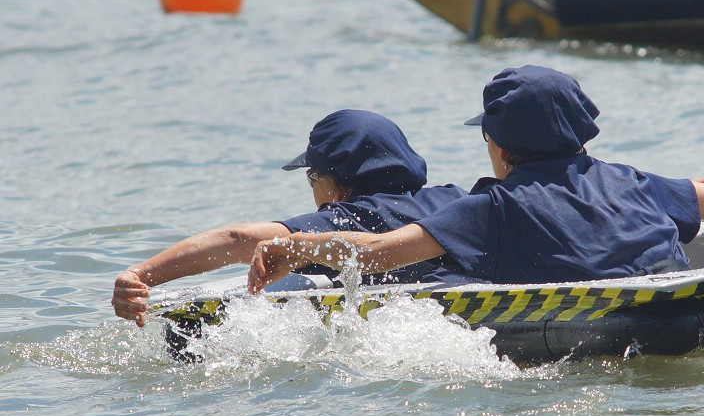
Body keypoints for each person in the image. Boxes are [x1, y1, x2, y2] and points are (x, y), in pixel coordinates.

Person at [246, 66, 704, 292]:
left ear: (502, 148)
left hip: (603, 321)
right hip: (677, 287)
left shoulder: (490, 207)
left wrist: (298, 247)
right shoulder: (633, 181)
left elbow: (378, 252)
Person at [112, 109, 467, 326]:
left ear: (334, 182)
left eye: (312, 176)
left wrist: (141, 274)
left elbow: (237, 240)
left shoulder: (343, 220)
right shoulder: (454, 201)